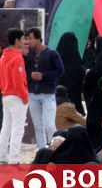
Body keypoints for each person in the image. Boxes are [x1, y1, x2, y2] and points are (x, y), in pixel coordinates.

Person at [23, 27, 64, 150]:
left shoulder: (52, 53)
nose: (28, 41)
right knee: (37, 125)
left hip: (47, 94)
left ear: (38, 39)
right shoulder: (28, 54)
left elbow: (60, 71)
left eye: (30, 38)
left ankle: (54, 150)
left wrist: (43, 76)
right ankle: (42, 151)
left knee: (49, 125)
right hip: (32, 94)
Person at [0, 28, 28, 164]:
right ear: (17, 41)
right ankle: (15, 159)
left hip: (6, 95)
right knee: (18, 128)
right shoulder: (17, 57)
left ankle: (2, 157)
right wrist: (24, 96)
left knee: (6, 127)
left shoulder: (3, 56)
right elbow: (18, 81)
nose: (24, 41)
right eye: (23, 39)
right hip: (17, 97)